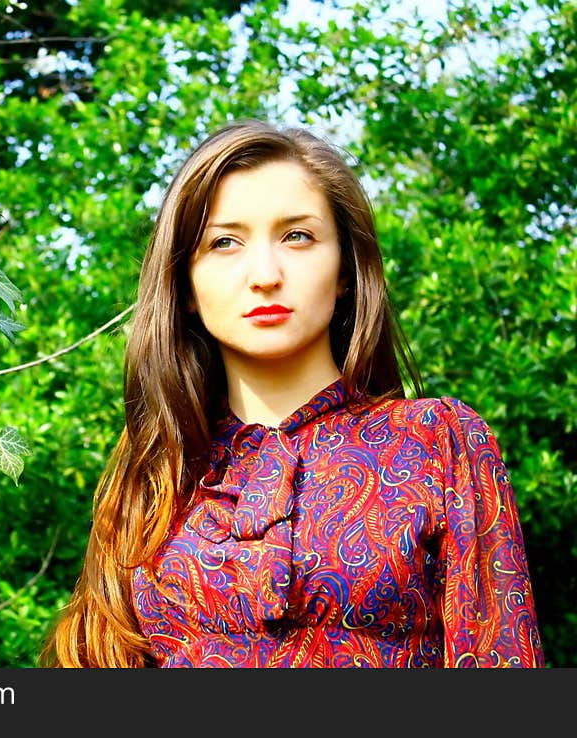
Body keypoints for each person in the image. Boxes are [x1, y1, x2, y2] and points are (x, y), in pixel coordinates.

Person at [43, 119, 545, 668]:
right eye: (225, 242)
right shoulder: (156, 473)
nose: (264, 274)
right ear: (186, 285)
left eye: (297, 236)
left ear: (346, 270)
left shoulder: (436, 442)